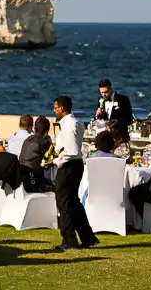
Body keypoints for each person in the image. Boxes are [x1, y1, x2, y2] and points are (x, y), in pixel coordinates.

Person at [51, 96, 98, 251]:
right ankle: (87, 237)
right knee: (73, 203)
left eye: (55, 107)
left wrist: (56, 161)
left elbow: (71, 151)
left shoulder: (69, 125)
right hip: (75, 165)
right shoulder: (76, 122)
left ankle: (69, 239)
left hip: (69, 165)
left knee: (64, 202)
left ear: (62, 108)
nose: (54, 110)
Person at [19, 116, 53, 193]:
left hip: (22, 180)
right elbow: (49, 162)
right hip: (34, 182)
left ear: (35, 128)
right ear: (47, 131)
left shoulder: (27, 140)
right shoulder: (44, 143)